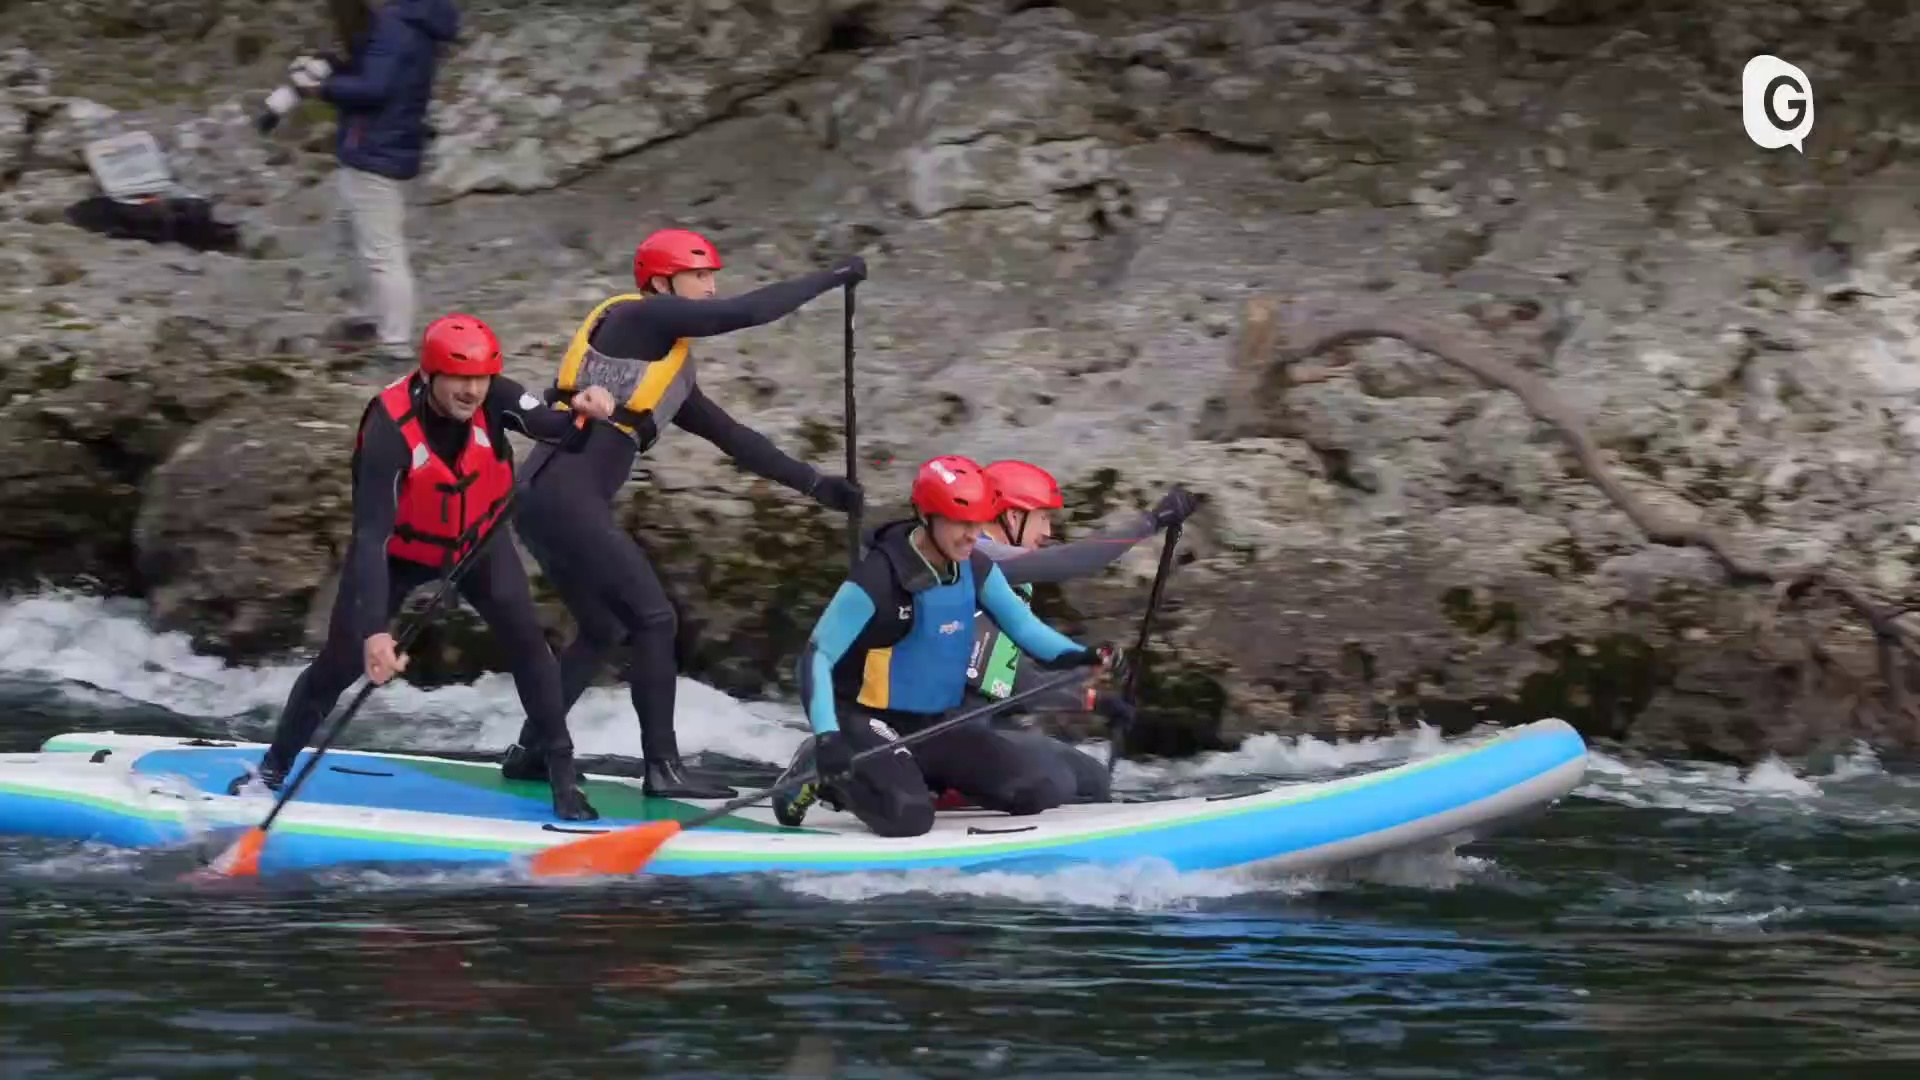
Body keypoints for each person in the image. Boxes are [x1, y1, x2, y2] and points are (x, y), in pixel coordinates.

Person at [501, 228, 868, 799]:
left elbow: (736, 440)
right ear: (661, 283)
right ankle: (662, 769)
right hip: (563, 497)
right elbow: (745, 312)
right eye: (700, 276)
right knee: (655, 620)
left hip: (540, 496)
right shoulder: (636, 320)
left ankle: (530, 749)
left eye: (711, 276)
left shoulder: (665, 369)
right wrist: (832, 278)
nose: (711, 287)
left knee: (602, 627)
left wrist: (819, 486)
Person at [228, 314, 619, 821]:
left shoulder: (497, 395)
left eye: (481, 378)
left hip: (478, 543)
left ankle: (560, 776)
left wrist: (585, 409)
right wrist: (374, 634)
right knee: (340, 662)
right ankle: (273, 771)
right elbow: (371, 536)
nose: (473, 391)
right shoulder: (388, 428)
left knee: (531, 648)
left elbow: (559, 430)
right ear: (430, 373)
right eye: (460, 379)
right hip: (397, 553)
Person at [771, 455, 1118, 837]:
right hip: (865, 719)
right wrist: (827, 736)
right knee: (909, 817)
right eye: (960, 523)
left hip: (932, 723)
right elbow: (816, 657)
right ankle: (816, 770)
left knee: (1033, 790)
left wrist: (1084, 656)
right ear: (926, 515)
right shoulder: (878, 580)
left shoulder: (975, 567)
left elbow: (1026, 629)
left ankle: (911, 771)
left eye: (978, 522)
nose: (972, 535)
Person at [950, 460, 1200, 805]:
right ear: (1011, 516)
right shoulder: (975, 556)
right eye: (1043, 517)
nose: (1049, 531)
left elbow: (1012, 682)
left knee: (1091, 778)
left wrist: (1094, 701)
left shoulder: (1006, 586)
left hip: (972, 732)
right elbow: (1070, 561)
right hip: (938, 737)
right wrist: (1152, 521)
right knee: (1064, 780)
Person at [295, 0, 461, 364]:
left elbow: (374, 88)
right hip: (387, 144)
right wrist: (337, 69)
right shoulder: (416, 25)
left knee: (382, 251)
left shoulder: (395, 26)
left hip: (374, 149)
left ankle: (394, 343)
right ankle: (369, 321)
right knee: (355, 236)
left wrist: (322, 89)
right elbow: (380, 75)